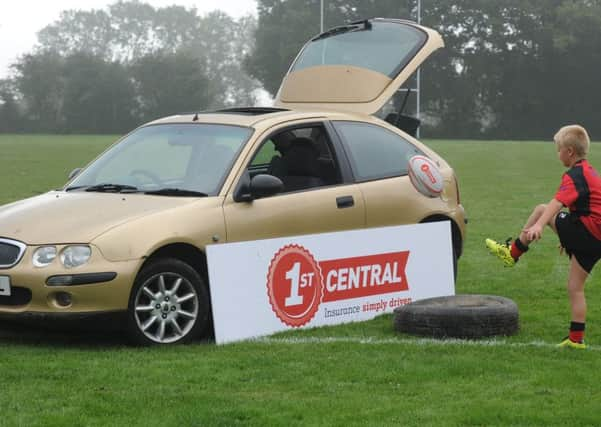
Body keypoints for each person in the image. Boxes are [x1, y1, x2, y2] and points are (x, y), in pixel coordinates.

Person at [486, 124, 601, 349]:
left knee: (540, 209)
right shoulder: (590, 171)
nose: (557, 154)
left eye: (558, 149)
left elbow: (555, 204)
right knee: (574, 288)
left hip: (588, 232)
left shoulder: (575, 175)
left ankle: (512, 253)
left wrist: (539, 225)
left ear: (569, 152)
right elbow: (587, 208)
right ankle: (576, 340)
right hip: (596, 239)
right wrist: (567, 236)